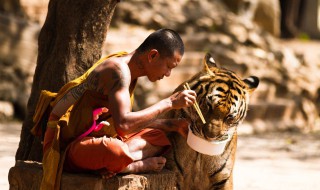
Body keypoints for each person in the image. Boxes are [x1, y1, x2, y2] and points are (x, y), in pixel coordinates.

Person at [32, 28, 197, 189]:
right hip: (68, 147)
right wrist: (168, 103)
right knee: (114, 150)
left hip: (99, 138)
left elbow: (125, 121)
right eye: (169, 66)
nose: (168, 73)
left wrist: (173, 125)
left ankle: (117, 162)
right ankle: (131, 166)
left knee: (158, 137)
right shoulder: (118, 71)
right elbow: (124, 126)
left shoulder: (130, 71)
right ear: (152, 55)